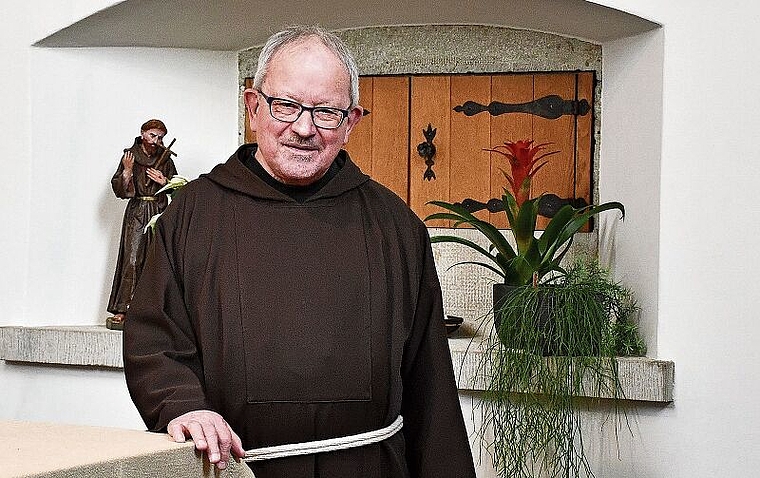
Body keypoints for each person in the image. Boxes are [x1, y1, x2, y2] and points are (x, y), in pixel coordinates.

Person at [123, 26, 476, 478]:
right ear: (253, 107)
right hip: (234, 469)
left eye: (327, 112)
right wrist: (185, 408)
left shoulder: (394, 225)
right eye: (286, 105)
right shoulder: (191, 217)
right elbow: (155, 341)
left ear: (351, 123)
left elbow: (431, 383)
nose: (304, 128)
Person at [107, 119, 176, 329]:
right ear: (143, 134)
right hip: (138, 211)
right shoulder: (131, 155)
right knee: (133, 258)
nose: (156, 141)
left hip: (158, 210)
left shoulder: (165, 158)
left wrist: (164, 182)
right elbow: (120, 189)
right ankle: (123, 308)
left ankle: (152, 312)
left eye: (160, 137)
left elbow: (177, 185)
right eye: (153, 135)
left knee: (157, 260)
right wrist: (128, 171)